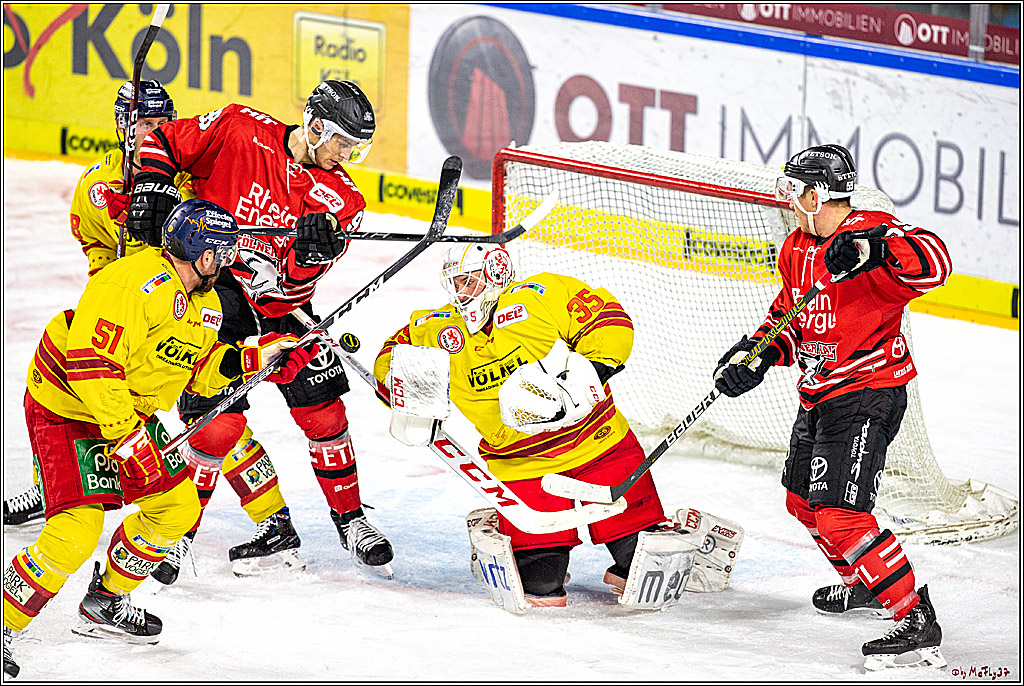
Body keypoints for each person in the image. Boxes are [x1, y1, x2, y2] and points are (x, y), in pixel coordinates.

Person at [2, 199, 318, 678]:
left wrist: (258, 360)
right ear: (203, 253)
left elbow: (196, 369)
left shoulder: (206, 304)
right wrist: (127, 438)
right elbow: (91, 364)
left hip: (124, 411)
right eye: (223, 252)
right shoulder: (131, 282)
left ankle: (105, 601)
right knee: (76, 531)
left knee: (177, 508)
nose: (228, 261)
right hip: (69, 406)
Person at [122, 79, 394, 580]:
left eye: (357, 149)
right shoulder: (240, 127)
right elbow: (161, 141)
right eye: (342, 143)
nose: (346, 157)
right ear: (316, 126)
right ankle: (178, 536)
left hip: (279, 304)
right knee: (215, 423)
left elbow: (286, 295)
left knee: (324, 412)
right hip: (213, 293)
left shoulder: (343, 200)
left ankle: (351, 520)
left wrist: (309, 257)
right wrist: (154, 187)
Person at [372, 244, 737, 610]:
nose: (462, 291)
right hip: (521, 464)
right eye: (456, 283)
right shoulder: (434, 327)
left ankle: (679, 538)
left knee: (643, 566)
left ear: (496, 272)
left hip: (600, 445)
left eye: (470, 280)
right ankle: (500, 531)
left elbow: (608, 317)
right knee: (540, 587)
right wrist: (406, 390)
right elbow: (391, 356)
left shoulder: (540, 295)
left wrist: (594, 370)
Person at [713, 144, 950, 671]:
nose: (788, 198)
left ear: (818, 194)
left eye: (795, 188)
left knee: (842, 516)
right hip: (819, 393)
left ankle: (914, 616)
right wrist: (756, 356)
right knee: (802, 503)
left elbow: (936, 262)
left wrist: (874, 247)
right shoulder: (796, 246)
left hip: (867, 392)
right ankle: (863, 581)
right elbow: (791, 318)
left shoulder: (871, 231)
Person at [2, 80, 191, 529]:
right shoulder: (98, 184)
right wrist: (118, 262)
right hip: (123, 302)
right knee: (77, 392)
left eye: (164, 122)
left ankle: (264, 515)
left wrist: (152, 220)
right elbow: (97, 251)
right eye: (147, 122)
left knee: (209, 408)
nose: (157, 131)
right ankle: (52, 480)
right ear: (124, 125)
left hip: (177, 307)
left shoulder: (184, 179)